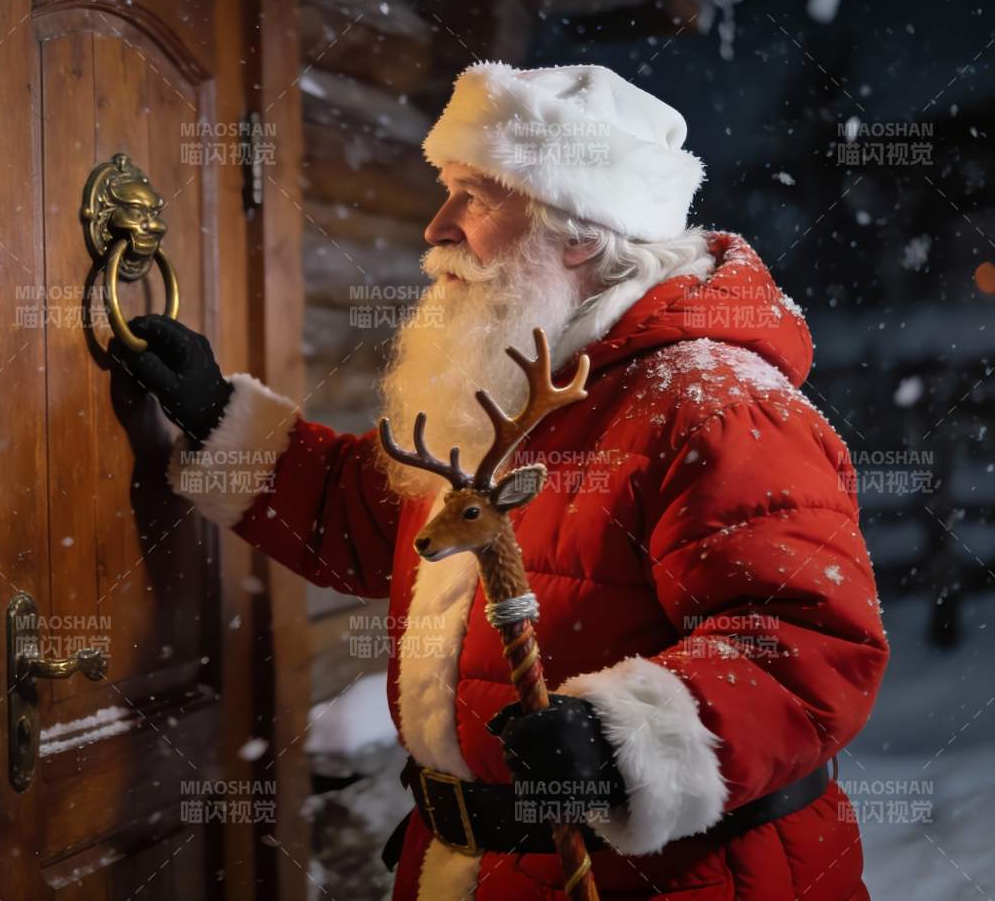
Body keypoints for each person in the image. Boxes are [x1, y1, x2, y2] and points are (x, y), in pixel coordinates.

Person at [115, 62, 889, 900]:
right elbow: (382, 523)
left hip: (677, 879)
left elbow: (804, 642)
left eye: (476, 197)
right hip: (488, 869)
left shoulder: (715, 405)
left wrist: (626, 740)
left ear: (581, 231)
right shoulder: (518, 376)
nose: (437, 227)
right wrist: (220, 419)